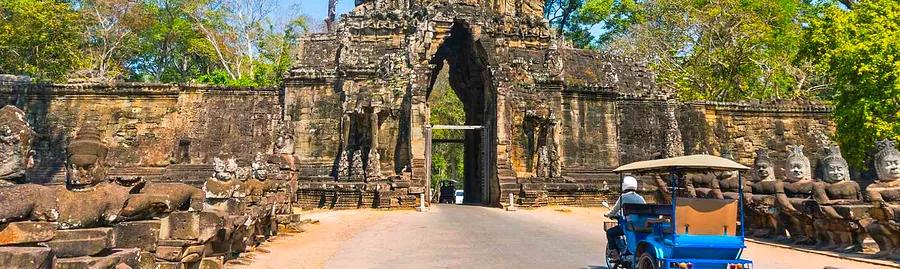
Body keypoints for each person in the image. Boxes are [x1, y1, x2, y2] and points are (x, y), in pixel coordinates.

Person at [604, 176, 646, 259]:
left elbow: (614, 211)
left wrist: (607, 214)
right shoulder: (640, 198)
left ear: (624, 185)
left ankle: (615, 254)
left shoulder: (623, 197)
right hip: (641, 225)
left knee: (610, 232)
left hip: (629, 226)